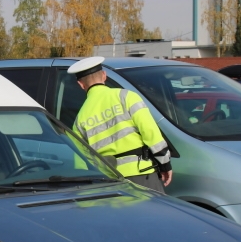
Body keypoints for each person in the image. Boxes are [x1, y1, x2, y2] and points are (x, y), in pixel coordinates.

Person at [69, 56, 172, 192]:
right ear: (104, 76)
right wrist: (165, 165)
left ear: (81, 84)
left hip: (109, 183)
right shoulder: (127, 97)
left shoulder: (79, 120)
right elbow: (151, 134)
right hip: (142, 175)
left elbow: (81, 164)